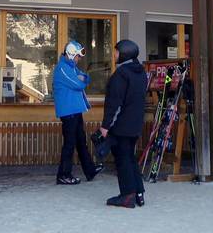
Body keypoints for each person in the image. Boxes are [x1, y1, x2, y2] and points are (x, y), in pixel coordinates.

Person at [100, 39, 149, 208]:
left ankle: (127, 196)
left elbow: (115, 103)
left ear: (124, 54)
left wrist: (106, 126)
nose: (114, 55)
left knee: (122, 159)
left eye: (116, 52)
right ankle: (139, 193)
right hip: (135, 124)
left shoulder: (121, 75)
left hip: (121, 125)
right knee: (130, 158)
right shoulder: (141, 73)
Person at [53, 40, 102, 185]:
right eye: (77, 56)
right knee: (70, 143)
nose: (79, 59)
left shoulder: (71, 67)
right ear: (70, 54)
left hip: (74, 109)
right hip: (68, 111)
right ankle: (63, 175)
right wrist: (81, 79)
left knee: (80, 140)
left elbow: (86, 77)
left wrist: (82, 79)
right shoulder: (62, 68)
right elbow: (78, 84)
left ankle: (89, 170)